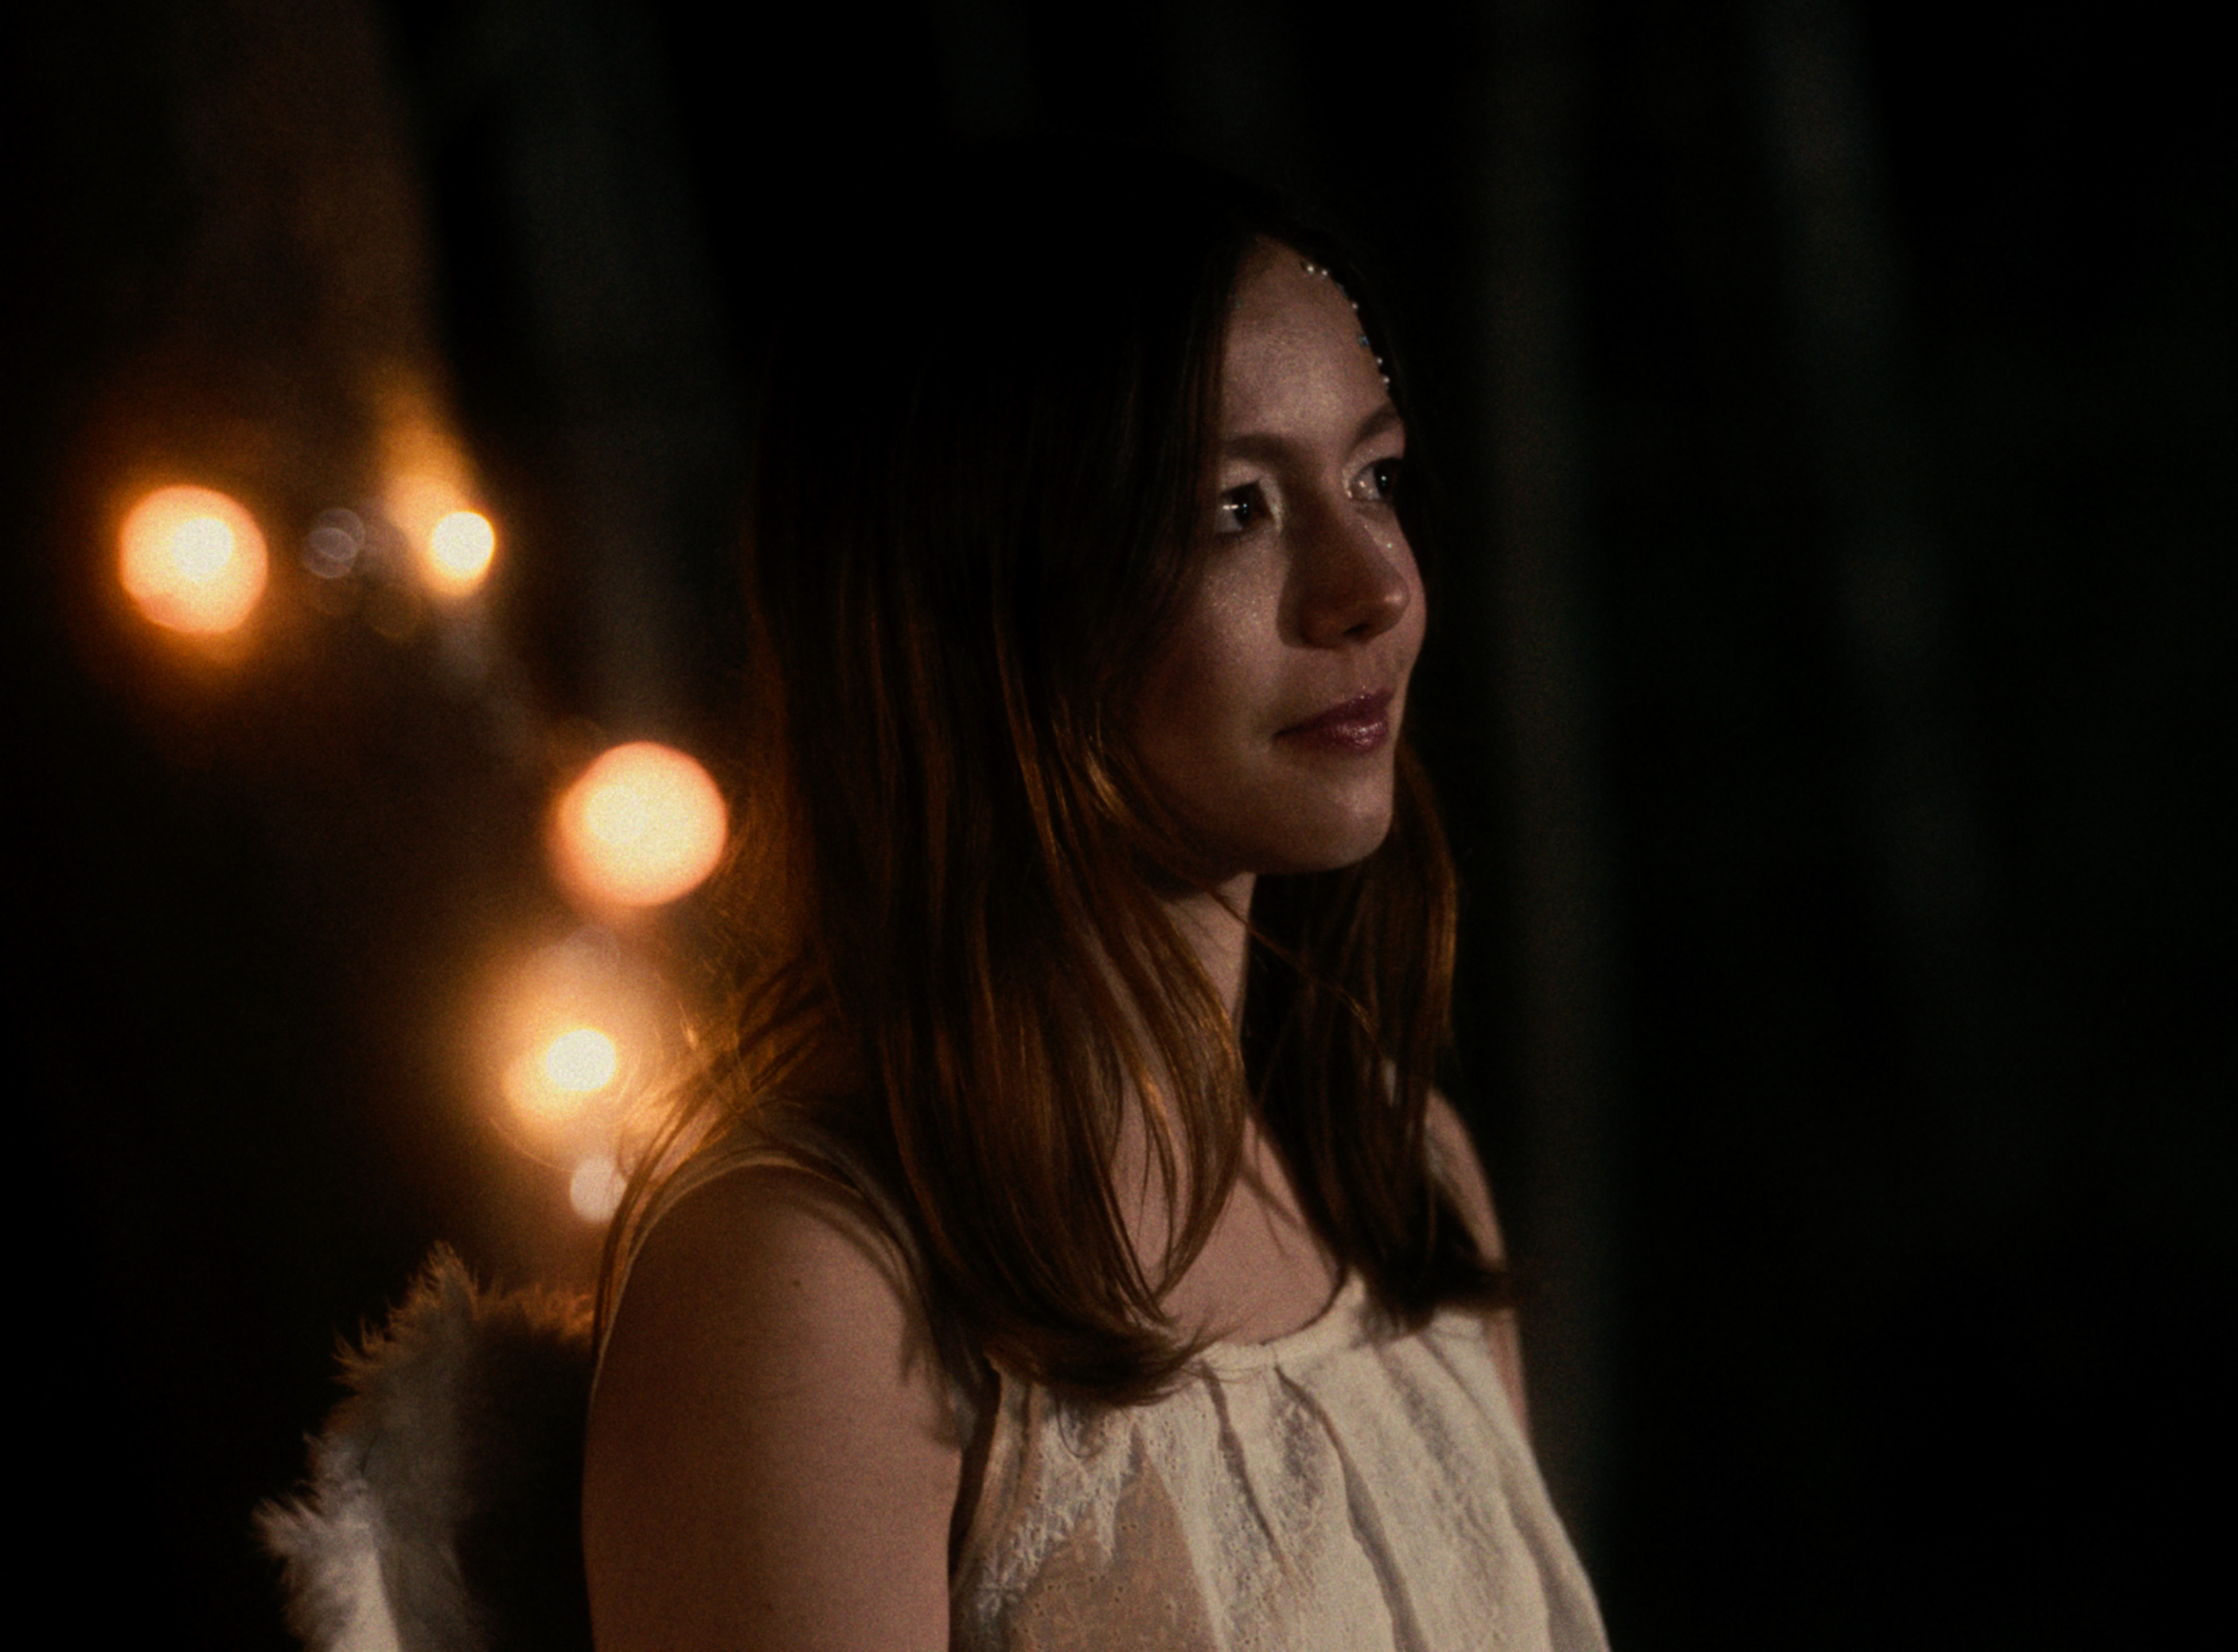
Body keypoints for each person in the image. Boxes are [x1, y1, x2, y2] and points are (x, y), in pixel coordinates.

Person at [579, 148, 1608, 1650]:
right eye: (1235, 509)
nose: (1374, 584)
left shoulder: (1400, 1172)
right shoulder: (813, 1289)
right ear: (979, 601)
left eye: (1373, 477)